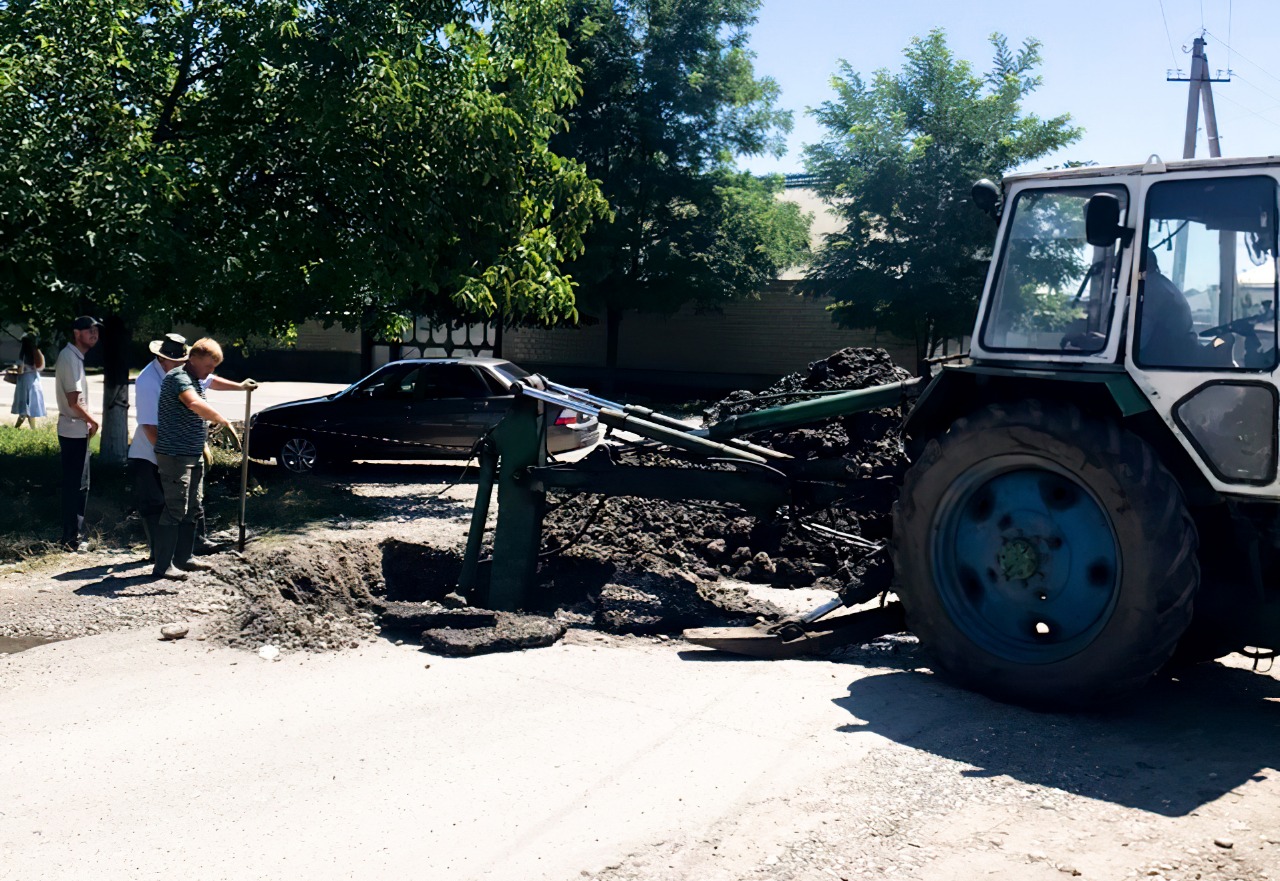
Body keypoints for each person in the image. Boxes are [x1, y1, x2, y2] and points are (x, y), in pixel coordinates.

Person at [152, 338, 255, 579]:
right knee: (176, 507)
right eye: (209, 365)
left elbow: (212, 383)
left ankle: (184, 558)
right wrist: (222, 419)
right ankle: (162, 566)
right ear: (194, 359)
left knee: (193, 507)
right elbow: (193, 403)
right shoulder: (179, 378)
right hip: (175, 455)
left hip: (192, 452)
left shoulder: (196, 377)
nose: (211, 371)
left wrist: (241, 387)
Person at [128, 333, 189, 562]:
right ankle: (159, 554)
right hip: (148, 452)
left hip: (169, 449)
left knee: (175, 502)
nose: (181, 366)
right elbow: (149, 426)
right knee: (153, 504)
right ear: (162, 359)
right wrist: (167, 456)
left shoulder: (178, 374)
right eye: (177, 362)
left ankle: (176, 553)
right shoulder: (147, 381)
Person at [55, 316, 101, 552]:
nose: (94, 333)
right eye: (88, 330)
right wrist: (93, 420)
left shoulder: (75, 357)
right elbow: (74, 400)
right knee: (77, 485)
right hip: (73, 428)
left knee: (79, 484)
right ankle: (71, 540)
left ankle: (73, 537)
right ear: (76, 333)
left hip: (75, 428)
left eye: (95, 330)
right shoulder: (70, 357)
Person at [10, 333, 46, 428]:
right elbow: (40, 366)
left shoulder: (22, 355)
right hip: (34, 381)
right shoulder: (36, 353)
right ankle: (31, 429)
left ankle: (17, 427)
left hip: (24, 382)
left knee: (24, 408)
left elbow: (20, 371)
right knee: (31, 407)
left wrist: (16, 369)